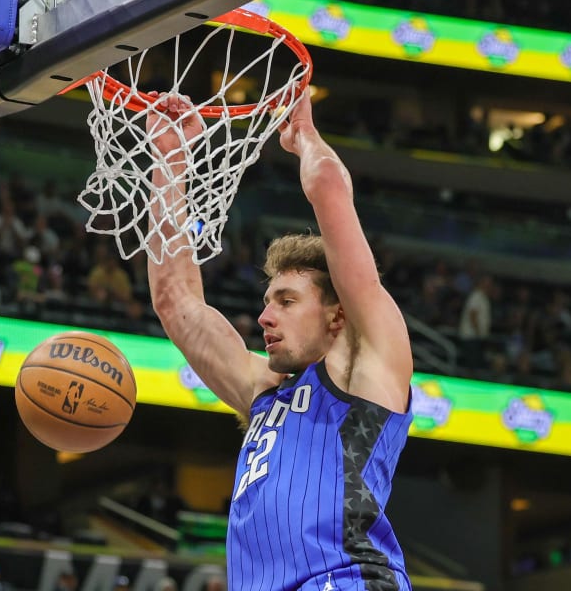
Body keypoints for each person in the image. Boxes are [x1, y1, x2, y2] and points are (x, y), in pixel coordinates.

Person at [146, 91, 413, 590]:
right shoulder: (263, 389)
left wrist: (305, 140)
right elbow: (176, 303)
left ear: (337, 315)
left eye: (287, 301)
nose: (265, 316)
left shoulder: (363, 367)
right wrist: (170, 159)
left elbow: (330, 190)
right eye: (268, 300)